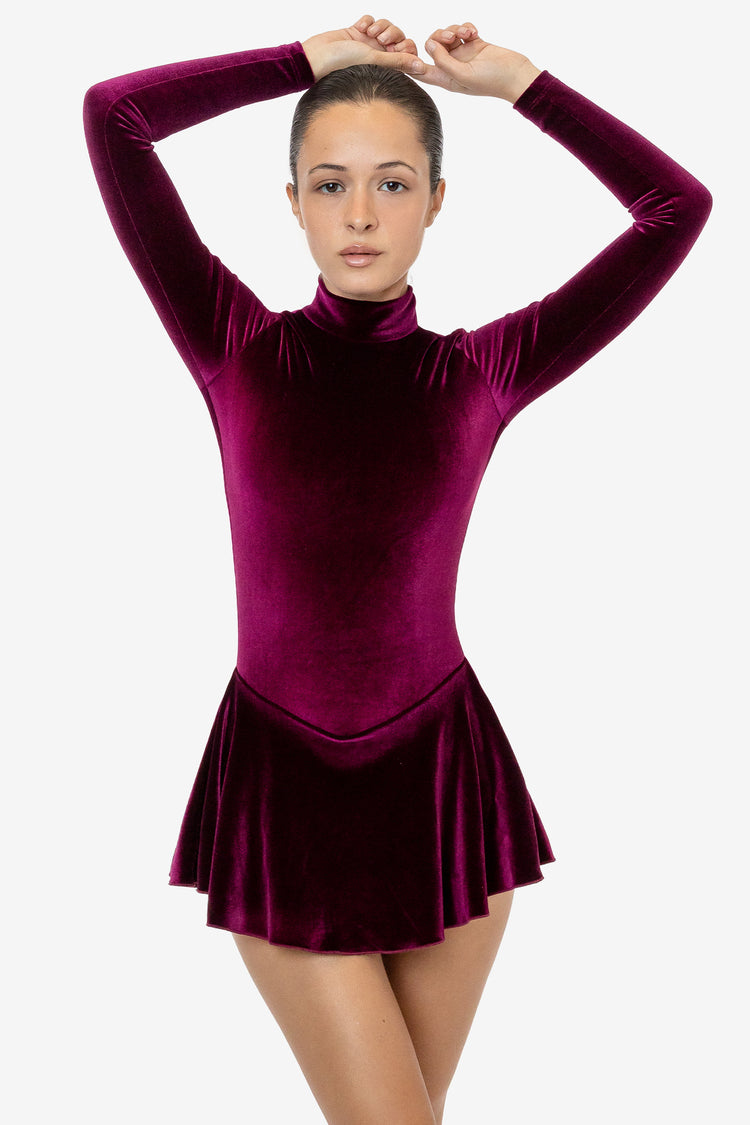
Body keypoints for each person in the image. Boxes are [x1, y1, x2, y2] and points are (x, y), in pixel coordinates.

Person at [82, 13, 711, 1125]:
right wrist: (299, 63)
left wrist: (522, 85)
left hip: (445, 790)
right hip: (284, 798)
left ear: (437, 199)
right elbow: (113, 117)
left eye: (393, 184)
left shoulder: (482, 374)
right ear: (291, 202)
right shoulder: (236, 347)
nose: (362, 215)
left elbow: (677, 207)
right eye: (330, 185)